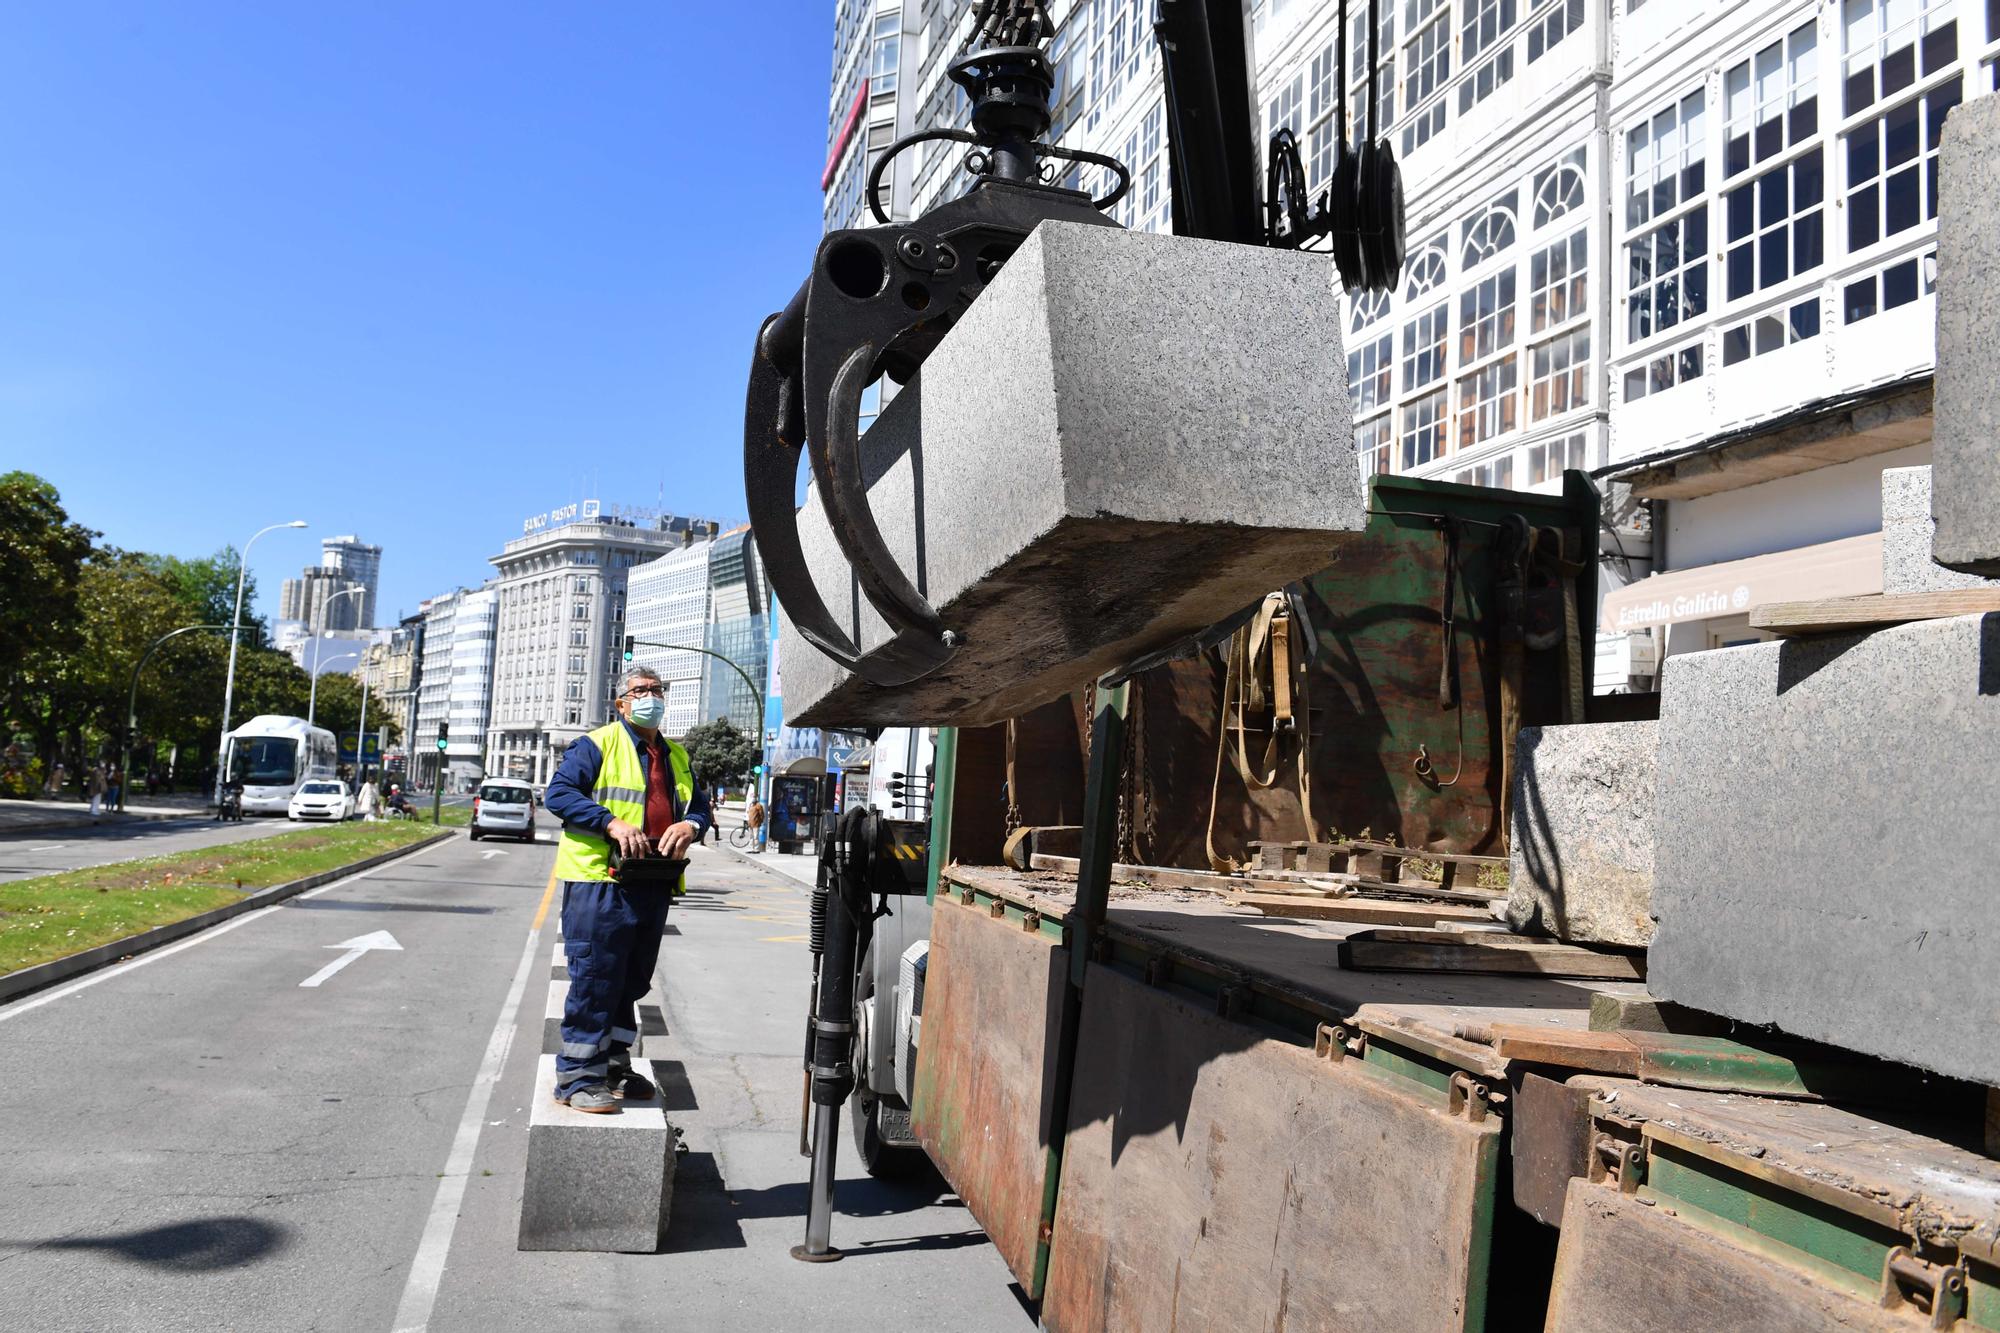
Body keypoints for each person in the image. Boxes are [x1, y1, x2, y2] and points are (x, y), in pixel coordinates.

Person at [543, 665, 711, 1113]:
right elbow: (558, 794)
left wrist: (691, 824)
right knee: (597, 978)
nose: (649, 696)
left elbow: (701, 808)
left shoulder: (677, 755)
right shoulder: (597, 744)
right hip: (601, 881)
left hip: (651, 882)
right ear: (622, 703)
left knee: (631, 980)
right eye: (639, 691)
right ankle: (577, 1077)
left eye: (656, 690)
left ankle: (614, 1065)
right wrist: (611, 822)